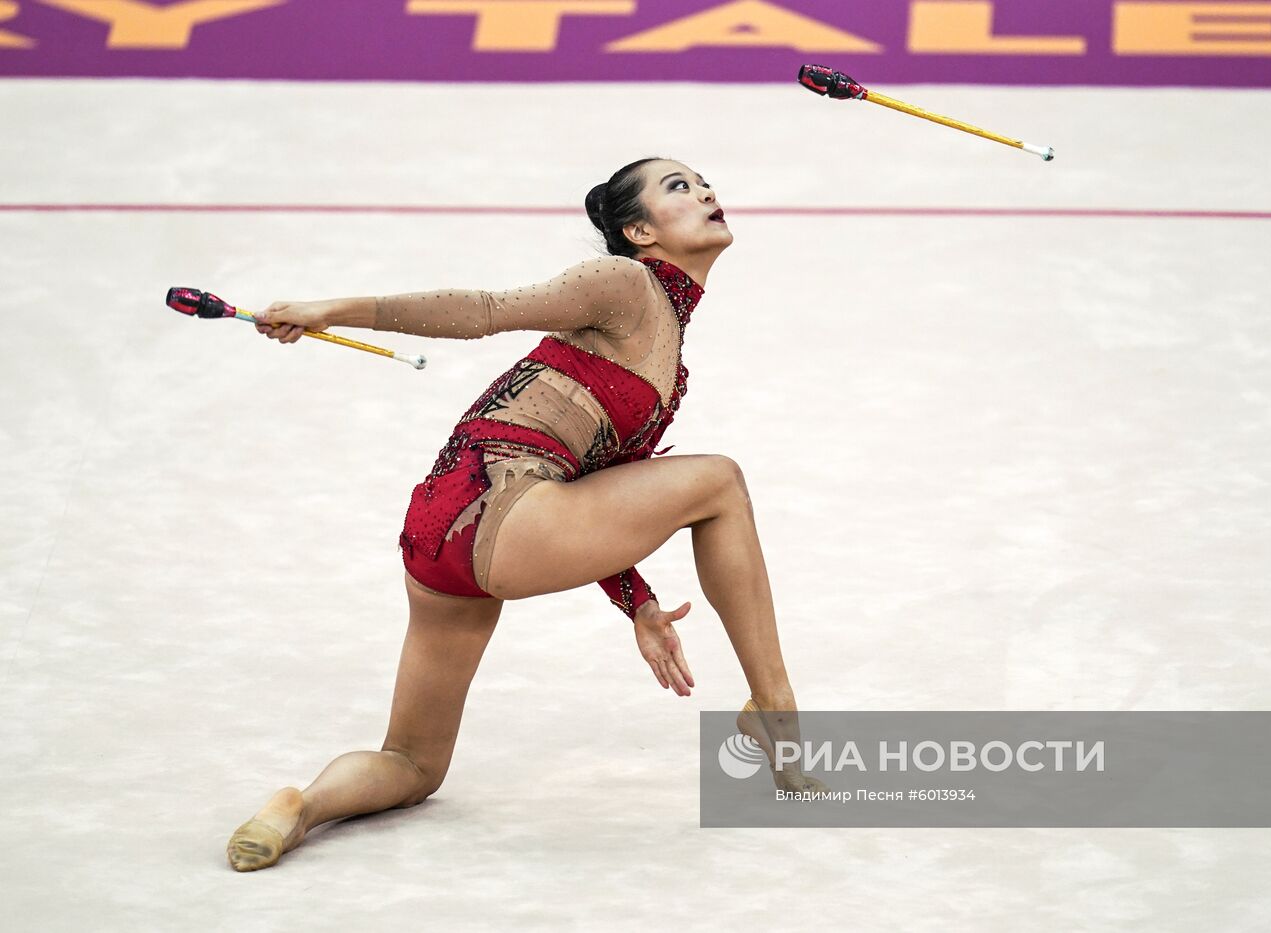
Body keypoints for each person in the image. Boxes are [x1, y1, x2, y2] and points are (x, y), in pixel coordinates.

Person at [226, 158, 827, 872]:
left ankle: (300, 804)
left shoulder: (665, 337)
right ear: (638, 230)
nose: (703, 191)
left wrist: (637, 601)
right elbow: (484, 310)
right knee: (720, 483)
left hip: (442, 528)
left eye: (700, 181)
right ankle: (775, 707)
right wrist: (331, 309)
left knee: (414, 763)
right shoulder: (626, 283)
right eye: (677, 187)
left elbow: (596, 487)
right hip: (500, 504)